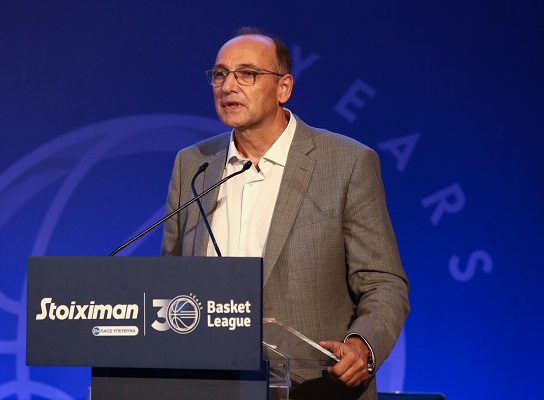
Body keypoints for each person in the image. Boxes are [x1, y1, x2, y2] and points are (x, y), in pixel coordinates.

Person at [161, 27, 410, 400]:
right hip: (209, 385)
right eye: (220, 74)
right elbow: (170, 280)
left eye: (247, 74)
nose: (228, 86)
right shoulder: (193, 164)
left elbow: (383, 283)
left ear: (284, 88)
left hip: (314, 388)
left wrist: (361, 346)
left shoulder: (346, 163)